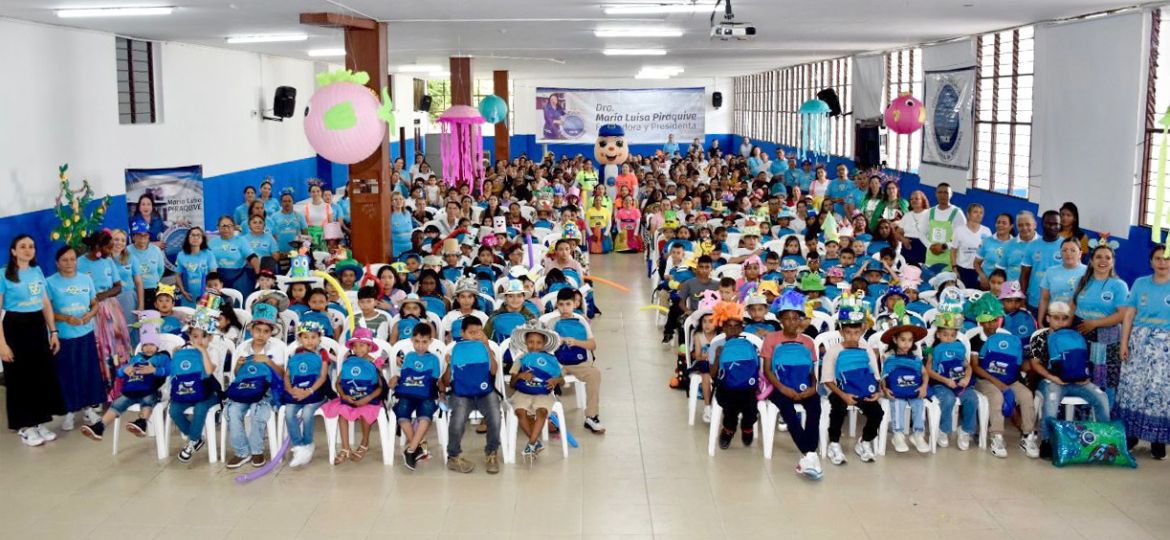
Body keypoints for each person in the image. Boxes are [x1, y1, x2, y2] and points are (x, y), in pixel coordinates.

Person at [1027, 300, 1111, 458]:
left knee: (1101, 397)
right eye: (1055, 318)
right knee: (1051, 400)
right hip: (1051, 381)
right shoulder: (1040, 337)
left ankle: (1104, 439)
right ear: (1047, 318)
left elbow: (1085, 361)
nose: (1060, 322)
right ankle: (1047, 441)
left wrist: (1086, 378)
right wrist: (1053, 378)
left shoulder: (1075, 336)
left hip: (1079, 381)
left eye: (1064, 318)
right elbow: (1035, 364)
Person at [760, 291, 824, 478]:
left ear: (800, 321)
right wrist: (783, 388)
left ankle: (809, 457)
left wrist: (813, 387)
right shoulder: (771, 338)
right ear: (780, 320)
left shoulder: (807, 342)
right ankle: (810, 453)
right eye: (787, 319)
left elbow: (812, 371)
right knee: (788, 411)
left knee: (815, 406)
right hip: (778, 386)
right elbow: (767, 370)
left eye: (795, 318)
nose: (791, 322)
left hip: (803, 385)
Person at [968, 296, 1039, 459]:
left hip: (1010, 380)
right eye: (986, 322)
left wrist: (1031, 363)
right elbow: (975, 367)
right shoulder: (975, 340)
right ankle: (997, 436)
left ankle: (1028, 436)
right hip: (985, 380)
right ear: (980, 322)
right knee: (996, 396)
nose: (990, 325)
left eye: (994, 321)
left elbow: (1018, 364)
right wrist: (998, 384)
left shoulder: (1008, 338)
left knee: (1027, 395)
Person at [1118, 245, 1170, 460]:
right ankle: (1131, 436)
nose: (1162, 263)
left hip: (1165, 346)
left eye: (1166, 259)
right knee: (1134, 388)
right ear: (1151, 262)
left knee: (1159, 391)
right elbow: (1129, 316)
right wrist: (1124, 343)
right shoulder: (1140, 283)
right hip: (1138, 342)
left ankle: (1158, 440)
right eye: (1157, 258)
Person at [46, 246, 105, 432]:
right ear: (57, 263)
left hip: (85, 334)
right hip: (63, 337)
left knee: (88, 372)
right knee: (67, 375)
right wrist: (65, 319)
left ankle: (89, 409)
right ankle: (70, 411)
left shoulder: (85, 279)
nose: (69, 263)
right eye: (65, 260)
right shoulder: (49, 283)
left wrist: (91, 313)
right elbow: (47, 311)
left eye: (72, 259)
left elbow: (94, 303)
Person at [80, 322, 168, 441]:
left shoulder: (162, 356)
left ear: (158, 346)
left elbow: (170, 370)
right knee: (118, 403)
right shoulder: (136, 358)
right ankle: (100, 427)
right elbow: (120, 373)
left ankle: (142, 422)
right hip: (131, 390)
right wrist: (124, 370)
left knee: (147, 400)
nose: (148, 348)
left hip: (151, 390)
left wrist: (155, 370)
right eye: (145, 345)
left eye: (152, 344)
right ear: (142, 347)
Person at [822, 296, 883, 464]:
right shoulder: (834, 351)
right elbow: (827, 380)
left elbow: (876, 375)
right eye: (848, 332)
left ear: (862, 330)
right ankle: (833, 443)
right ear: (841, 332)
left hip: (862, 389)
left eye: (856, 333)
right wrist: (843, 395)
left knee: (877, 412)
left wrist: (878, 392)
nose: (852, 337)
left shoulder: (867, 349)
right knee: (839, 409)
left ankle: (864, 441)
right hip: (839, 390)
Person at [224, 303, 284, 469]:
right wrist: (237, 365)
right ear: (252, 330)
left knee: (259, 411)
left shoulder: (276, 348)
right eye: (258, 330)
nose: (261, 335)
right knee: (232, 411)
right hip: (244, 388)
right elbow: (237, 376)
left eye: (266, 331)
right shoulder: (243, 348)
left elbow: (283, 375)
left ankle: (257, 450)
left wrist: (268, 361)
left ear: (271, 333)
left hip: (266, 391)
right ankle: (241, 451)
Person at [443, 317, 503, 474]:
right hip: (461, 392)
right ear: (462, 332)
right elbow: (444, 382)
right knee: (458, 418)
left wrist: (487, 346)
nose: (476, 336)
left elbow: (494, 371)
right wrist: (449, 365)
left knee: (495, 415)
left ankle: (491, 452)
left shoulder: (484, 347)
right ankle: (453, 456)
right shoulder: (454, 349)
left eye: (479, 332)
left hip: (484, 391)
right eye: (471, 333)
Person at [160, 316, 221, 463]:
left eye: (204, 336)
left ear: (211, 337)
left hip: (209, 392)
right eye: (195, 336)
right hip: (187, 391)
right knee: (173, 410)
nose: (199, 340)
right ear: (189, 336)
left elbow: (208, 371)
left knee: (200, 408)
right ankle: (196, 436)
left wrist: (202, 352)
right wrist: (177, 355)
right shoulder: (185, 350)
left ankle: (192, 441)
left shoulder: (214, 351)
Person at [322, 325, 385, 465]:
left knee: (364, 413)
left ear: (369, 347)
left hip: (370, 399)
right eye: (355, 346)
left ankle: (365, 442)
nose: (359, 349)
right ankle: (345, 447)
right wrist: (343, 395)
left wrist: (367, 398)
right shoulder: (348, 362)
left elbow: (381, 387)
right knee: (342, 413)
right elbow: (338, 382)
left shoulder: (375, 363)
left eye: (363, 345)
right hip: (348, 397)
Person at [77, 230, 130, 392]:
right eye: (108, 247)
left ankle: (121, 382)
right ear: (97, 247)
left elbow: (118, 286)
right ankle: (103, 385)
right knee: (100, 346)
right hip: (91, 311)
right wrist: (92, 299)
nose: (111, 250)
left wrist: (103, 295)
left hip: (111, 309)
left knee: (118, 344)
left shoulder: (108, 262)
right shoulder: (80, 263)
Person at [547, 288, 605, 434]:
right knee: (547, 376)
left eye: (568, 304)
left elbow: (593, 345)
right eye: (561, 304)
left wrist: (576, 342)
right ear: (557, 305)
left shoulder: (581, 321)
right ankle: (551, 415)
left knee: (594, 374)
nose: (564, 308)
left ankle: (591, 416)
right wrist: (556, 343)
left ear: (575, 304)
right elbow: (544, 348)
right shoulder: (552, 322)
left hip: (579, 363)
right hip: (558, 363)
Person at [709, 302, 761, 450]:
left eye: (736, 326)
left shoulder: (749, 344)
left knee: (751, 406)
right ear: (723, 328)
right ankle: (728, 429)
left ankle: (747, 426)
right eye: (729, 326)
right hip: (725, 386)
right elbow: (713, 375)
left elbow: (756, 368)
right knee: (730, 407)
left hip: (747, 386)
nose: (733, 329)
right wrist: (718, 357)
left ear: (741, 328)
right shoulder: (717, 344)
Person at [509, 321, 564, 460]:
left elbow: (562, 379)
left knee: (542, 412)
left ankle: (531, 443)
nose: (534, 346)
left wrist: (555, 381)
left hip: (543, 393)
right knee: (520, 412)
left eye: (538, 342)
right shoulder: (520, 359)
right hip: (522, 392)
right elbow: (512, 383)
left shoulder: (551, 360)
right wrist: (521, 375)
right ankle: (535, 443)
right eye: (531, 342)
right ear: (525, 343)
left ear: (544, 344)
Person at [283, 319, 334, 468]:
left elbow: (323, 377)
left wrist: (309, 391)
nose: (309, 341)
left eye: (313, 337)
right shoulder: (295, 353)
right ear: (299, 338)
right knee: (288, 412)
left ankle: (308, 443)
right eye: (305, 337)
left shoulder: (322, 353)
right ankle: (299, 446)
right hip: (297, 391)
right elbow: (287, 375)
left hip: (317, 392)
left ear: (319, 338)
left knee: (306, 413)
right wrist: (290, 390)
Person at [390, 324, 442, 470]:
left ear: (430, 341)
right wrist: (395, 378)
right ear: (412, 340)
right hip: (407, 393)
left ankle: (411, 449)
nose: (420, 345)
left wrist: (442, 393)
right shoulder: (409, 357)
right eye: (417, 341)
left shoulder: (433, 359)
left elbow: (435, 380)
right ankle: (417, 448)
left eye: (424, 342)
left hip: (426, 394)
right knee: (401, 410)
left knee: (426, 413)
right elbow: (405, 377)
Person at [926, 310, 979, 450]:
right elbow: (929, 371)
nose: (949, 338)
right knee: (948, 399)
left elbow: (968, 367)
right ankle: (943, 430)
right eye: (945, 335)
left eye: (953, 335)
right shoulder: (934, 350)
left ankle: (966, 430)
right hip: (941, 384)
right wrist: (945, 380)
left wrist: (967, 378)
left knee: (972, 398)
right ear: (938, 334)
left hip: (960, 382)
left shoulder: (959, 348)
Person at [879, 316, 931, 454]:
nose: (906, 344)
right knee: (898, 402)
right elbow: (884, 375)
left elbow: (925, 373)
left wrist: (924, 386)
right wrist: (884, 388)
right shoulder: (890, 358)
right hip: (896, 391)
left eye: (910, 340)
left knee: (919, 403)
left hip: (914, 389)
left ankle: (918, 434)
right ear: (895, 340)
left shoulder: (915, 359)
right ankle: (898, 434)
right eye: (903, 340)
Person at [1020, 210, 1063, 313]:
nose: (1052, 227)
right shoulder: (1031, 246)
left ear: (1060, 226)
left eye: (1055, 224)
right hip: (1034, 302)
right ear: (1042, 224)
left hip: (1058, 304)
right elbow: (1024, 275)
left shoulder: (1066, 246)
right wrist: (1021, 297)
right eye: (1048, 223)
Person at [1038, 238, 1086, 324]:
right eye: (1064, 250)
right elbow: (1044, 299)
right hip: (1055, 318)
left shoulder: (1088, 272)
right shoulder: (1051, 271)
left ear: (1080, 254)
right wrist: (1040, 321)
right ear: (1060, 253)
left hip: (1080, 319)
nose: (1068, 253)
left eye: (1073, 250)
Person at [210, 215, 260, 295]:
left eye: (229, 226)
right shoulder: (212, 242)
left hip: (239, 276)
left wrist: (258, 275)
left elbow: (253, 257)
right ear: (218, 227)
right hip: (219, 277)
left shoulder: (241, 241)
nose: (226, 229)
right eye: (223, 226)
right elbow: (209, 262)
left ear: (234, 227)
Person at [925, 183, 966, 271]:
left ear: (951, 195)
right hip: (931, 258)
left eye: (946, 193)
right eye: (940, 192)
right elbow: (921, 232)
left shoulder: (957, 213)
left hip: (949, 259)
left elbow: (962, 236)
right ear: (936, 194)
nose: (942, 195)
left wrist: (944, 246)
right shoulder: (929, 212)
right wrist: (930, 246)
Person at [128, 217, 166, 310]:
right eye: (139, 235)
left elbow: (160, 270)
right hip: (134, 292)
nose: (142, 238)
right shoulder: (127, 251)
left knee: (153, 321)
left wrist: (153, 281)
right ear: (133, 237)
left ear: (149, 236)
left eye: (145, 235)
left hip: (153, 290)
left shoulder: (156, 250)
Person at [951, 203, 991, 289]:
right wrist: (954, 268)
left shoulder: (987, 231)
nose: (978, 215)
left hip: (980, 272)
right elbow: (953, 251)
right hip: (962, 270)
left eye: (981, 212)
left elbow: (989, 253)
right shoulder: (959, 230)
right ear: (968, 214)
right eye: (975, 212)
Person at [176, 227, 217, 305]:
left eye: (198, 235)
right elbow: (177, 276)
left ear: (202, 239)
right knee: (188, 317)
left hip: (206, 296)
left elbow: (213, 276)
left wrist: (209, 293)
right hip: (188, 296)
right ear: (188, 238)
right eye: (192, 235)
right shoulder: (181, 255)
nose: (195, 238)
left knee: (205, 317)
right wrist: (183, 292)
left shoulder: (209, 254)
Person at [975, 213, 1015, 290]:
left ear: (1011, 226)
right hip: (986, 284)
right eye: (998, 222)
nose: (1000, 225)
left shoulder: (1016, 244)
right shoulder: (986, 241)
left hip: (1007, 288)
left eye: (1004, 223)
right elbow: (976, 263)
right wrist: (982, 276)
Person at [897, 190, 932, 266]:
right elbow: (897, 233)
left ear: (923, 200)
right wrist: (903, 240)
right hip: (907, 249)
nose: (913, 201)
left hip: (923, 249)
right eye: (911, 199)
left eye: (916, 198)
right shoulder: (907, 215)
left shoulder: (930, 213)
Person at [390, 192, 416, 258]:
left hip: (410, 248)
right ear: (391, 202)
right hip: (396, 250)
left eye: (401, 199)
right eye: (395, 200)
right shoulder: (389, 215)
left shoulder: (407, 213)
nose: (399, 201)